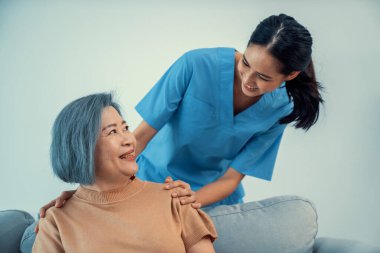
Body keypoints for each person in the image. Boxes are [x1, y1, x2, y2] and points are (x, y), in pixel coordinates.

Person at [39, 13, 323, 214]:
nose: (249, 79)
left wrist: (189, 200)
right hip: (151, 179)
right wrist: (85, 193)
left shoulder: (282, 108)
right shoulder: (196, 64)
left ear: (290, 75)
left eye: (263, 77)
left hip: (212, 196)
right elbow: (140, 137)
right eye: (246, 63)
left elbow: (231, 178)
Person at [32, 93, 217, 253]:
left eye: (125, 128)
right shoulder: (56, 222)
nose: (129, 139)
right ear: (81, 148)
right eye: (112, 131)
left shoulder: (175, 198)